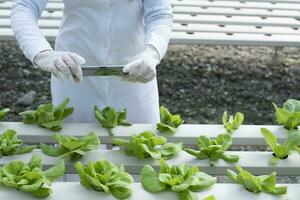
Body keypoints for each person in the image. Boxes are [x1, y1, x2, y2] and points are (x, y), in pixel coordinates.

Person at [11, 0, 173, 123]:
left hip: (134, 76)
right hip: (74, 75)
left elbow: (159, 14)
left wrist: (152, 52)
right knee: (74, 156)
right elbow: (25, 7)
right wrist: (42, 53)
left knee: (141, 157)